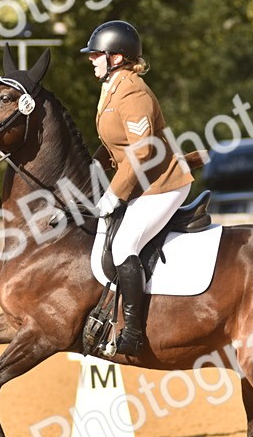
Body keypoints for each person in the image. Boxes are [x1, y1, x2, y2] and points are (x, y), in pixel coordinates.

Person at [82, 20, 193, 355]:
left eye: (97, 54)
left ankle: (133, 333)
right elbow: (114, 144)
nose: (92, 59)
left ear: (116, 57)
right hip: (141, 183)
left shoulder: (133, 91)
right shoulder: (112, 88)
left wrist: (115, 194)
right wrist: (90, 172)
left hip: (162, 184)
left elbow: (141, 149)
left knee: (123, 244)